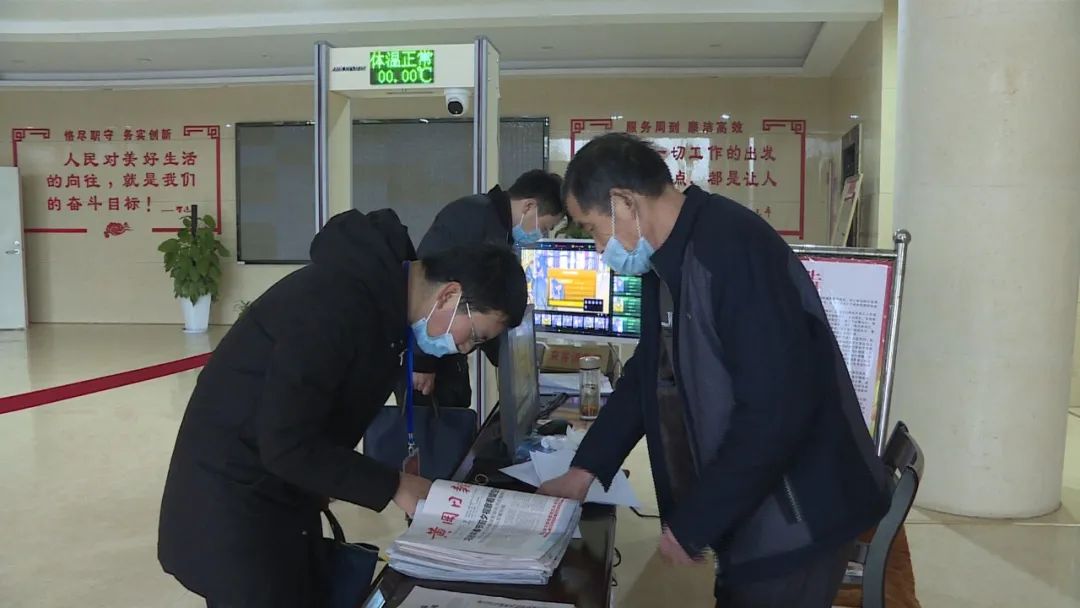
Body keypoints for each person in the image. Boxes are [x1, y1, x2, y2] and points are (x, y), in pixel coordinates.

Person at [538, 133, 890, 608]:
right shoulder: (668, 259)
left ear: (624, 203)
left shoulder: (730, 250)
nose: (600, 247)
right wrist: (586, 469)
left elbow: (775, 411)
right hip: (756, 505)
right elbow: (648, 374)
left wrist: (695, 523)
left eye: (593, 228)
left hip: (798, 514)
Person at [158, 208, 527, 608]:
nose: (465, 349)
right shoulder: (335, 304)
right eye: (474, 336)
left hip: (279, 496)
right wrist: (395, 486)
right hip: (232, 505)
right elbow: (287, 444)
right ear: (449, 296)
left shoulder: (383, 301)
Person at [407, 169, 564, 407]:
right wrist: (421, 362)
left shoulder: (496, 226)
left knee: (457, 413)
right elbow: (423, 287)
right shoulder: (474, 219)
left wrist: (514, 358)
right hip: (425, 357)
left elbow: (486, 312)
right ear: (529, 206)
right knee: (430, 423)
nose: (540, 236)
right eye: (544, 228)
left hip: (450, 351)